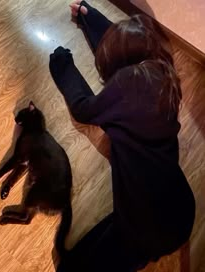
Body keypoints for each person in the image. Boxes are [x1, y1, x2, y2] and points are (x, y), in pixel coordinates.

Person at [49, 1, 195, 271]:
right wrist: (88, 16)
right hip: (179, 209)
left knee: (71, 268)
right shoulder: (164, 71)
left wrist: (62, 64)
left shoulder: (123, 91)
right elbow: (130, 43)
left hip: (146, 233)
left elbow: (83, 108)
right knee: (73, 258)